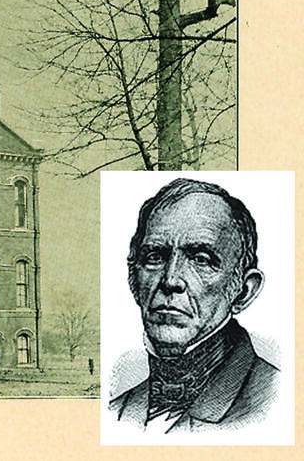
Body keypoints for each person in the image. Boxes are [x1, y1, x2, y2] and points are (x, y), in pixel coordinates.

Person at [108, 178, 278, 433]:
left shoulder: (275, 403)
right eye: (155, 256)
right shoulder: (116, 411)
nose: (170, 280)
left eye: (201, 259)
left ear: (244, 291)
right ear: (133, 278)